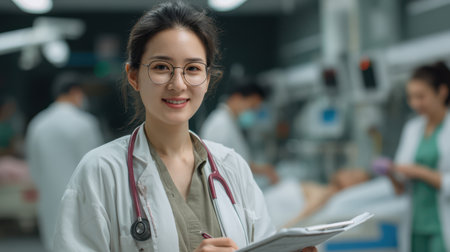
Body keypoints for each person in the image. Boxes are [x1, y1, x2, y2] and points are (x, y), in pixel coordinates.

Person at [52, 2, 316, 252]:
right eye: (161, 67)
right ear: (133, 76)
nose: (178, 84)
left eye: (192, 68)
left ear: (207, 78)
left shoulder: (232, 168)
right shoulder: (100, 172)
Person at [26, 72, 103, 250]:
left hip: (48, 198)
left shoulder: (38, 123)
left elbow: (34, 165)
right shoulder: (85, 123)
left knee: (53, 242)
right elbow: (96, 166)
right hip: (82, 199)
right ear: (75, 92)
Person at [386, 62, 450, 252]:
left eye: (421, 97)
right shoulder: (412, 129)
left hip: (442, 224)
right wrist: (391, 173)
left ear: (442, 92)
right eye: (411, 97)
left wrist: (419, 172)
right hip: (415, 225)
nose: (415, 104)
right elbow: (400, 188)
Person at [200, 78, 279, 185]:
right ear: (236, 98)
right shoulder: (220, 126)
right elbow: (218, 169)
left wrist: (264, 170)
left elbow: (238, 162)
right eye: (252, 106)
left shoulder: (230, 122)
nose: (252, 112)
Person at [265, 169, 370, 228]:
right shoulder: (321, 187)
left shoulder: (325, 195)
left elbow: (304, 215)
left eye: (353, 177)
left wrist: (281, 232)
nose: (347, 173)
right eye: (351, 171)